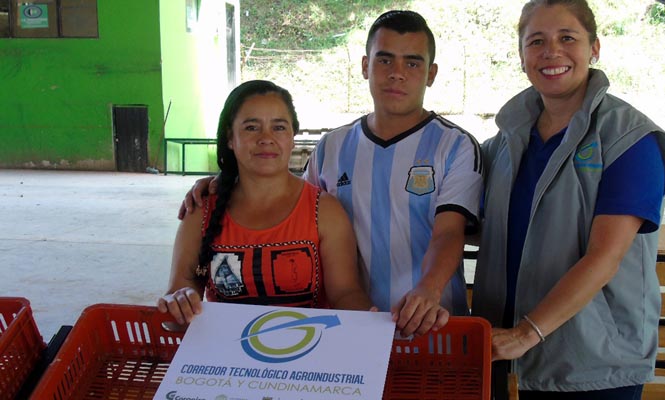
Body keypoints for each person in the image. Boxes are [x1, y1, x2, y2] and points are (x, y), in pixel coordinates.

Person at [180, 11, 483, 337]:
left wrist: (428, 290)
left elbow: (449, 233)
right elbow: (294, 207)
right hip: (347, 327)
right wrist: (228, 183)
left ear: (431, 73)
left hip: (431, 321)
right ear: (365, 66)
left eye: (412, 63)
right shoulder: (332, 146)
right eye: (385, 60)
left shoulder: (456, 145)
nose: (397, 74)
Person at [470, 1, 665, 399]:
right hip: (507, 354)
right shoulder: (504, 143)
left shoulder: (629, 140)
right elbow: (459, 216)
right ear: (521, 57)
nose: (552, 52)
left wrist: (526, 333)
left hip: (593, 363)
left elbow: (605, 257)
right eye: (536, 41)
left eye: (567, 38)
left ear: (594, 48)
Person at [159, 80, 373, 325]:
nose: (266, 138)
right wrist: (179, 303)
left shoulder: (324, 211)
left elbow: (345, 293)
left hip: (308, 353)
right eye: (251, 127)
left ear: (293, 136)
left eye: (279, 127)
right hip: (225, 358)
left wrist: (372, 322)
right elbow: (176, 304)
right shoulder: (200, 211)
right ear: (230, 137)